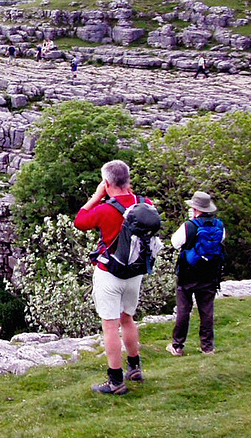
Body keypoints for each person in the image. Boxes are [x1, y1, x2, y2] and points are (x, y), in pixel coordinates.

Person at [74, 160, 151, 395]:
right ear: (127, 179)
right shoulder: (145, 204)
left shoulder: (105, 208)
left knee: (110, 326)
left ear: (107, 182)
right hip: (135, 273)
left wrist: (97, 195)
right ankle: (135, 367)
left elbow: (80, 221)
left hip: (110, 274)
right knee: (127, 318)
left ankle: (116, 381)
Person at [167, 191, 225, 357]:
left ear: (195, 208)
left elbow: (175, 243)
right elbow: (221, 242)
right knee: (207, 310)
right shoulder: (219, 225)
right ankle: (207, 347)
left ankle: (177, 346)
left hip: (188, 274)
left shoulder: (189, 226)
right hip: (210, 274)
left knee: (184, 310)